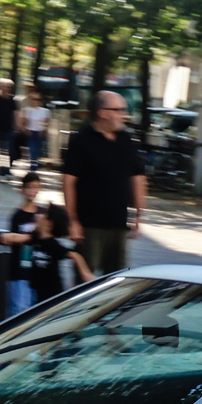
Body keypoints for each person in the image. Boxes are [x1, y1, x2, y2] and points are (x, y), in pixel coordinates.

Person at [61, 90, 147, 276]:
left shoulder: (125, 138)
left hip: (118, 224)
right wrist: (73, 220)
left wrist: (139, 214)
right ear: (102, 112)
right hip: (89, 226)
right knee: (85, 282)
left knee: (116, 281)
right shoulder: (82, 139)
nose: (124, 114)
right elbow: (69, 181)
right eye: (119, 110)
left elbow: (138, 176)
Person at [0, 172, 93, 319]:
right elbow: (15, 237)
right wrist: (3, 236)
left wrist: (86, 273)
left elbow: (74, 254)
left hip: (52, 293)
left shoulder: (52, 245)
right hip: (36, 288)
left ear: (48, 223)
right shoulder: (34, 236)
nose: (38, 215)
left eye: (43, 215)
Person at [19, 88, 50, 173]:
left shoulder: (45, 111)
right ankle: (33, 167)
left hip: (40, 132)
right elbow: (22, 122)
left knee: (38, 150)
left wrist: (44, 130)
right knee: (32, 150)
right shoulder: (27, 110)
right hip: (31, 132)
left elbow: (46, 123)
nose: (36, 101)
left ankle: (36, 163)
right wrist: (25, 130)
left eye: (38, 99)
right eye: (34, 99)